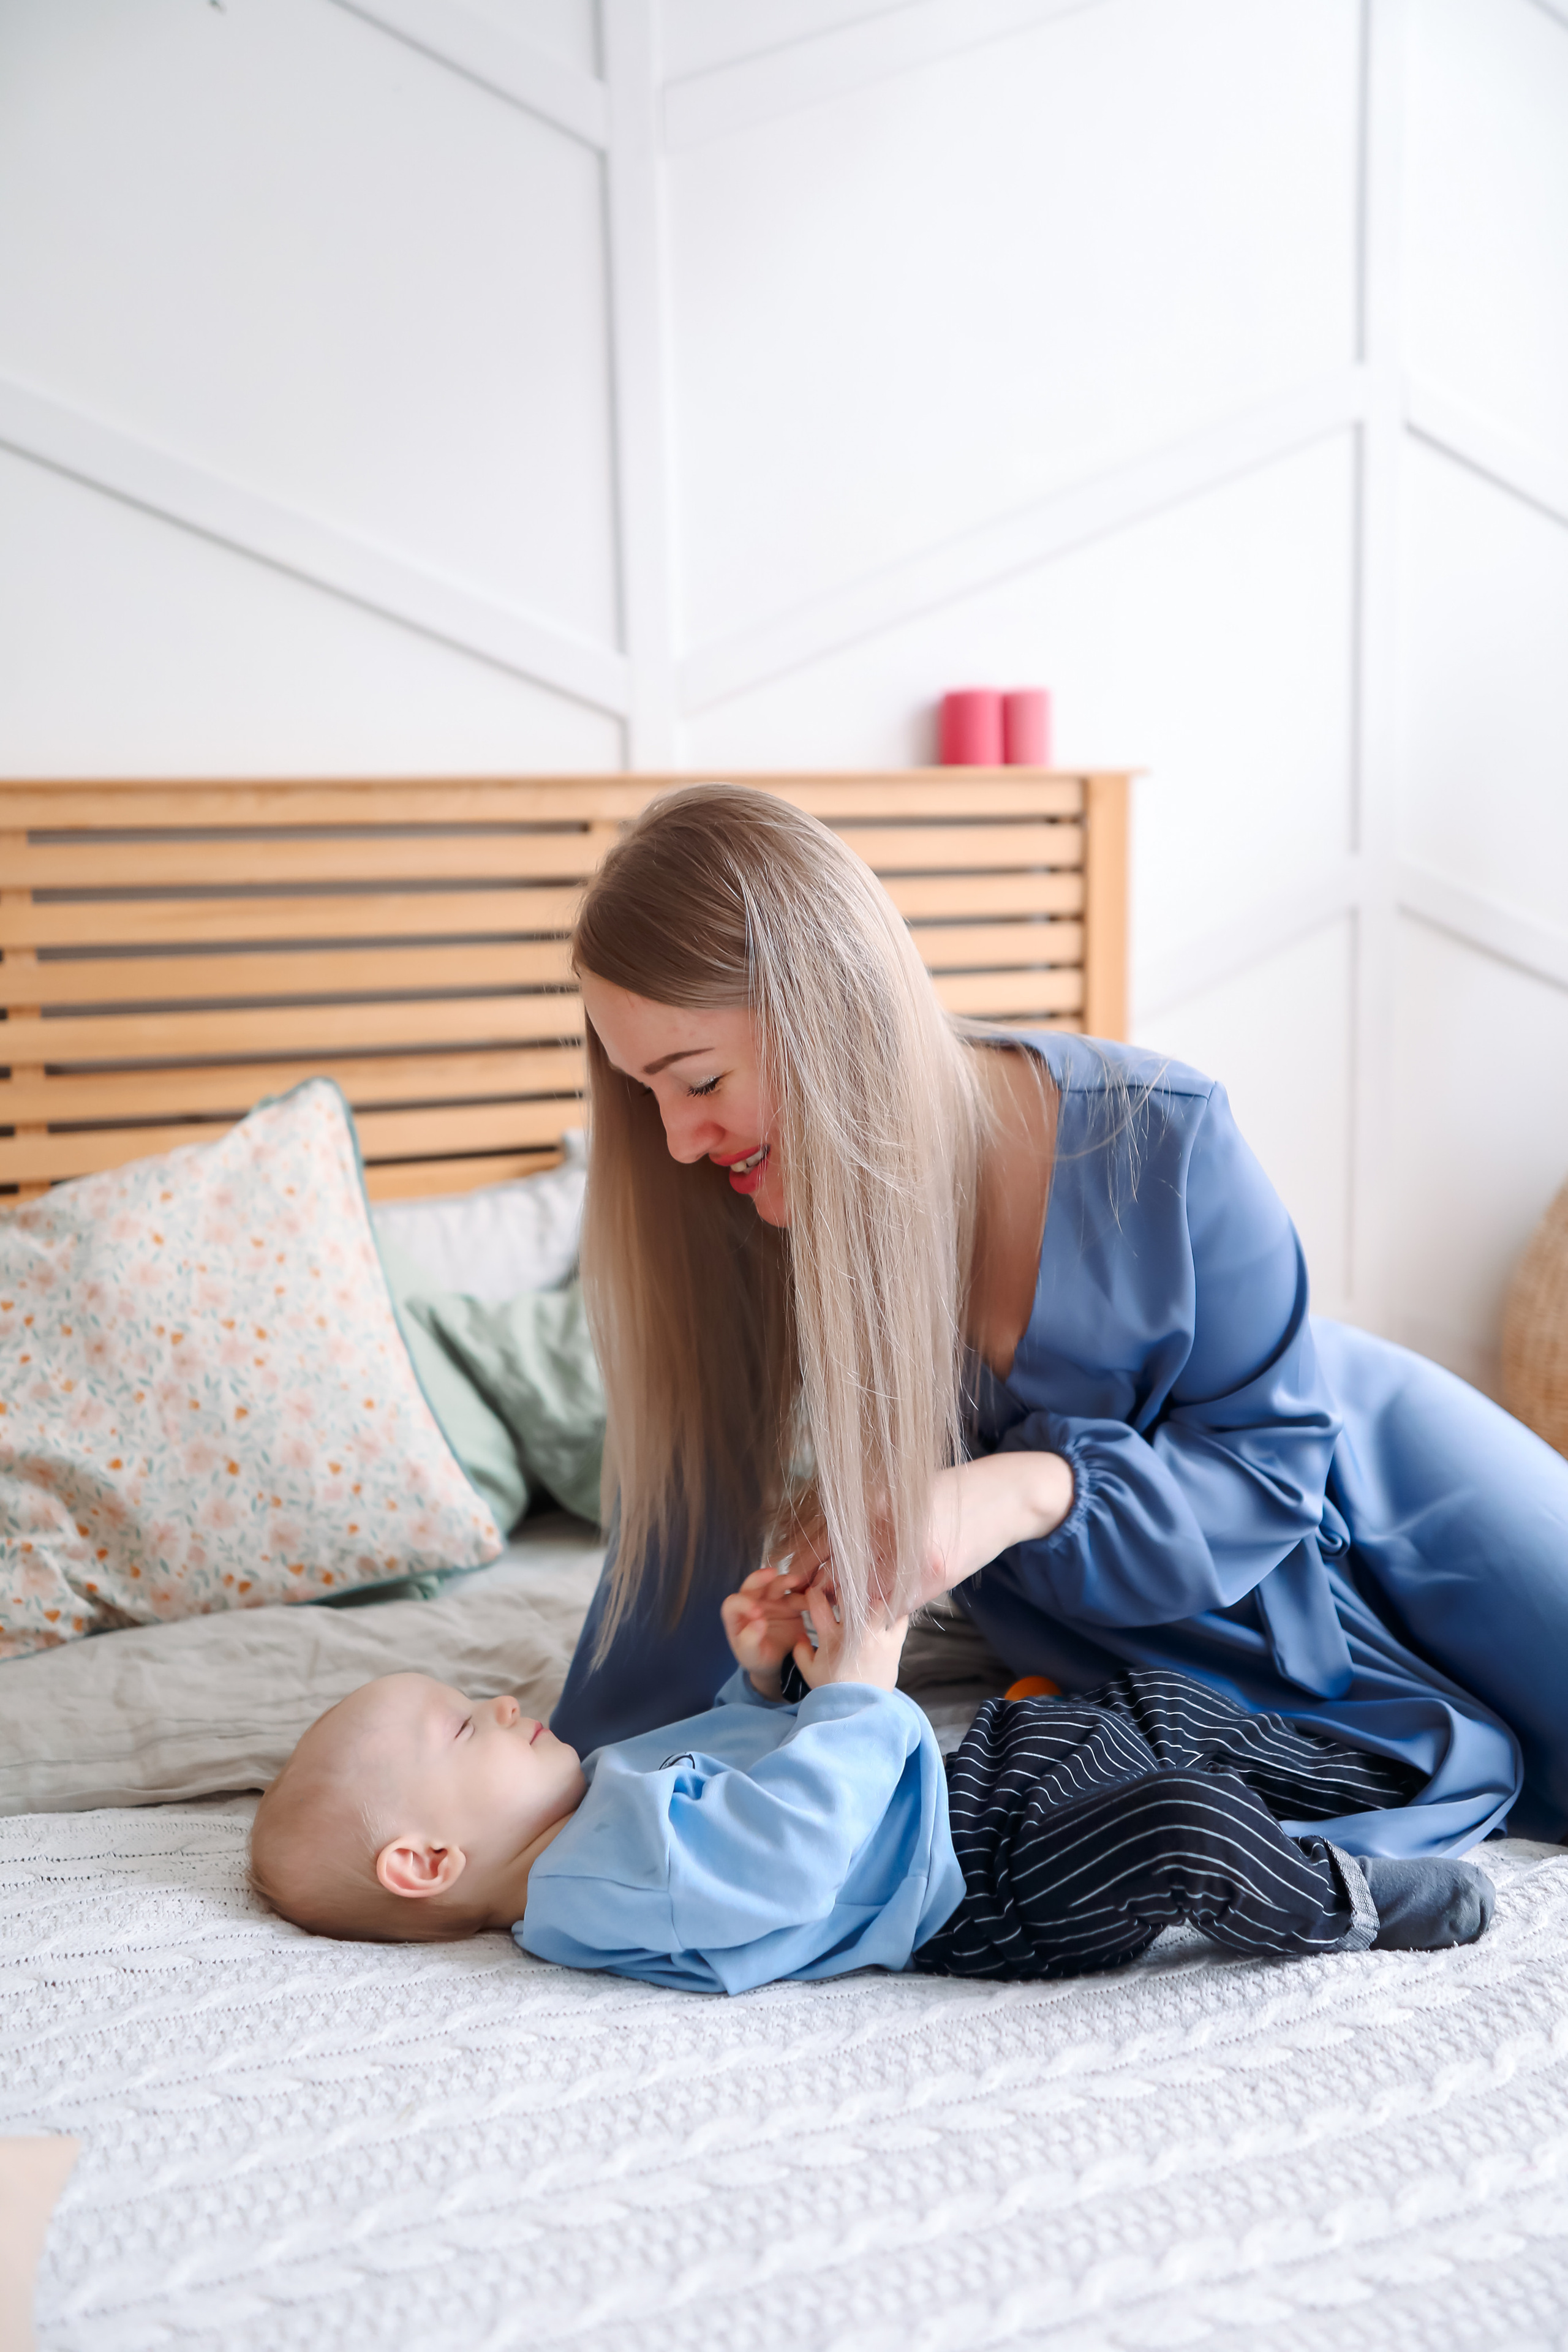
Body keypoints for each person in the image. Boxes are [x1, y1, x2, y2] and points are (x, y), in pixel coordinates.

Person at [548, 785, 1568, 1855]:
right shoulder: (739, 1199)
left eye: (699, 1079)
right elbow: (685, 1541)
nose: (674, 1141)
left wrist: (1015, 1490)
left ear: (831, 1006)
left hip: (1346, 1466)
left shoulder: (1160, 1139)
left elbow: (1269, 1459)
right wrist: (555, 1797)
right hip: (1165, 1626)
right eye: (645, 1095)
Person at [248, 1563, 1494, 1986]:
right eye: (466, 1729)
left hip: (948, 1804)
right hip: (964, 1901)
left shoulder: (591, 1797)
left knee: (1131, 1710)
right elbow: (788, 1857)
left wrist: (767, 1683)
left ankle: (1366, 1774)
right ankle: (1343, 1902)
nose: (503, 1702)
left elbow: (760, 1776)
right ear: (424, 1865)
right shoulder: (582, 1884)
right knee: (1172, 1827)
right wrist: (859, 1687)